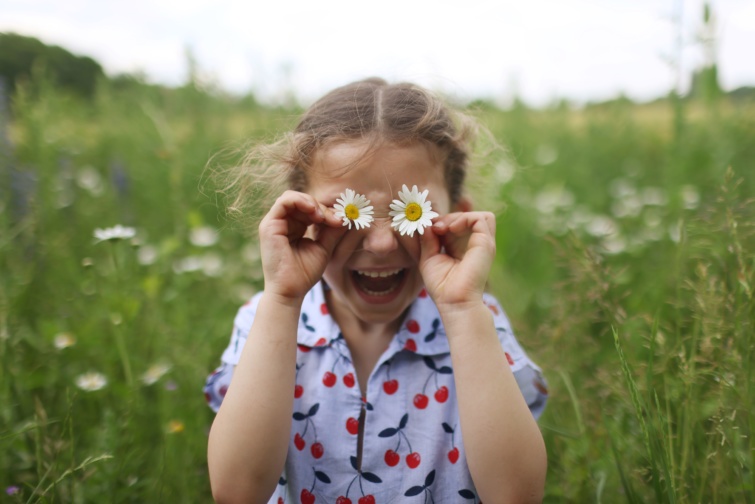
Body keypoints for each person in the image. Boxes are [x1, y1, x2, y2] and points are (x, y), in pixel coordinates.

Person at [204, 78, 548, 504]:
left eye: (412, 211)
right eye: (346, 212)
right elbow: (237, 493)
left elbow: (516, 496)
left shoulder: (479, 325)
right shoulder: (267, 321)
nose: (382, 243)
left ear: (457, 218)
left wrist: (462, 311)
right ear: (300, 215)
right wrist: (282, 298)